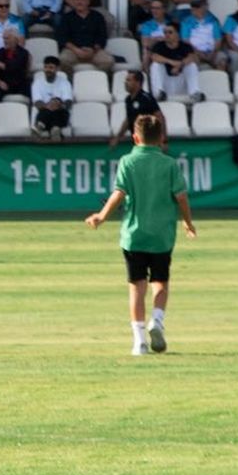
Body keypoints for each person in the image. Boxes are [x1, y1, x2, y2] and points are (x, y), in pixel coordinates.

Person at [85, 113, 197, 355]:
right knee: (161, 283)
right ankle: (156, 321)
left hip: (133, 236)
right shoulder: (169, 164)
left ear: (135, 138)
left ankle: (139, 342)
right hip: (162, 236)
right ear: (161, 139)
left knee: (137, 287)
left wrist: (101, 216)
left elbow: (119, 193)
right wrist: (187, 222)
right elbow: (181, 197)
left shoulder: (127, 161)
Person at [55, 0, 115, 72]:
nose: (79, 2)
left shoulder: (98, 17)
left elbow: (102, 37)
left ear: (88, 2)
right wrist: (76, 50)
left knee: (108, 61)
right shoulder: (67, 17)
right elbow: (62, 37)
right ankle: (72, 81)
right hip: (73, 51)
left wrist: (93, 50)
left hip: (93, 51)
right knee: (63, 60)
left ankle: (95, 80)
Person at [109, 69, 160, 147]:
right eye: (126, 80)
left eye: (129, 80)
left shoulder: (146, 98)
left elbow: (160, 117)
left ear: (138, 83)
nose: (125, 83)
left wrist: (163, 140)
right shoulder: (128, 100)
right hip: (137, 141)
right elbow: (129, 119)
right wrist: (117, 138)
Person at [30, 54, 73, 136]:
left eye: (51, 67)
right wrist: (48, 106)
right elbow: (37, 102)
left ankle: (49, 128)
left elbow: (68, 101)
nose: (48, 70)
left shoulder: (65, 83)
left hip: (59, 111)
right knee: (44, 111)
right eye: (46, 67)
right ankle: (54, 129)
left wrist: (58, 105)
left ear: (57, 69)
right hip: (45, 111)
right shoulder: (37, 83)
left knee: (61, 112)